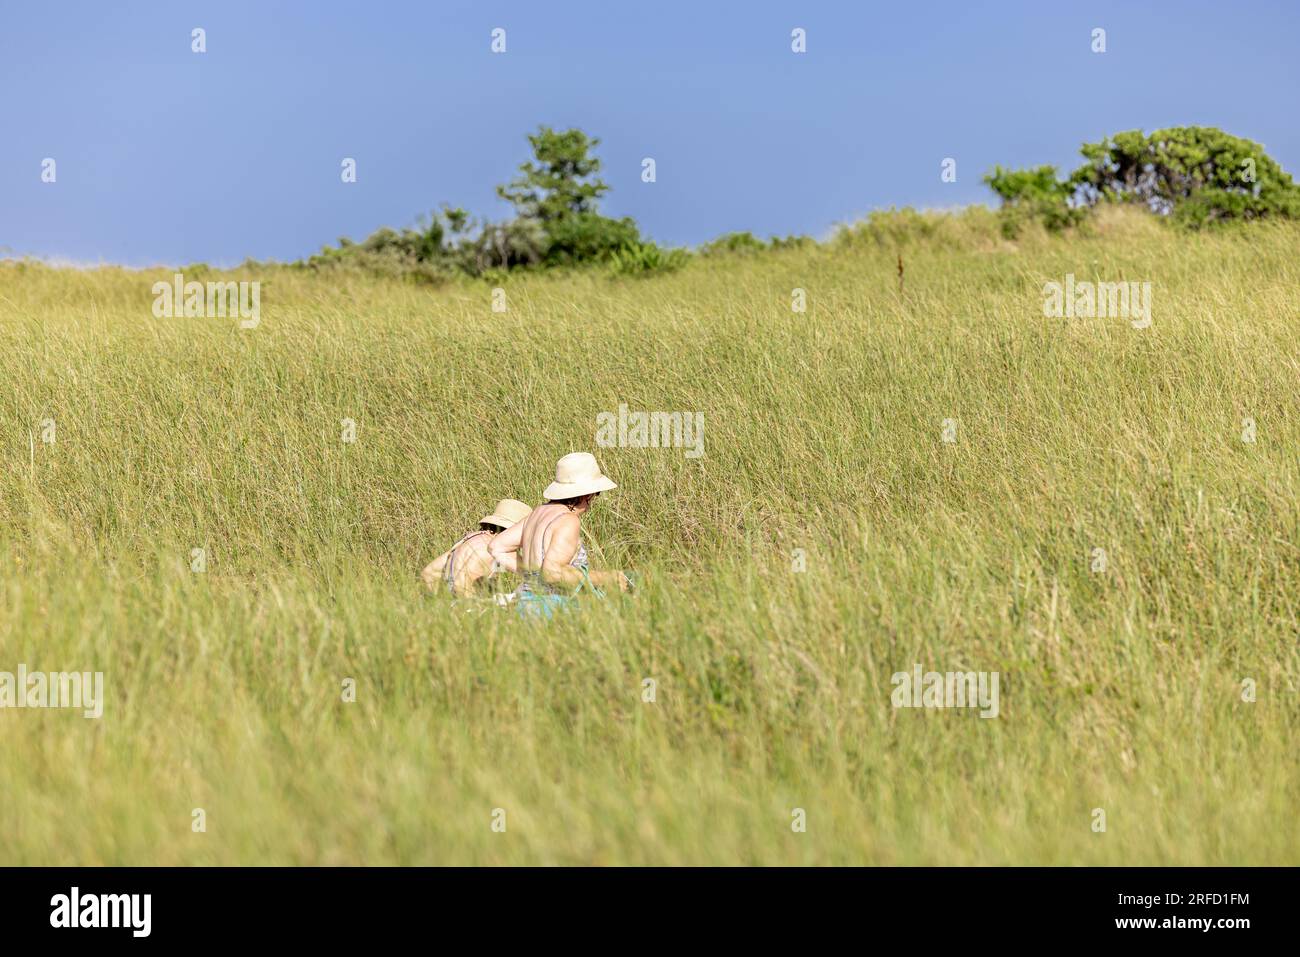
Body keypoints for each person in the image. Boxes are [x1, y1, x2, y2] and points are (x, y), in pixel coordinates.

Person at [489, 453, 630, 616]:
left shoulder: (537, 513)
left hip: (525, 605)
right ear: (587, 494)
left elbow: (496, 547)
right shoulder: (568, 520)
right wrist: (607, 578)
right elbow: (552, 573)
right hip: (555, 608)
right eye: (596, 493)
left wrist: (532, 575)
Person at [421, 499, 532, 597]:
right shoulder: (495, 549)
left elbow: (429, 572)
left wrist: (438, 603)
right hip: (467, 610)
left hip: (451, 606)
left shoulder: (470, 538)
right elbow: (534, 575)